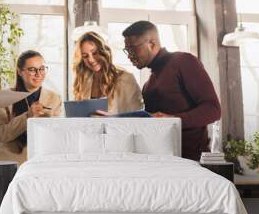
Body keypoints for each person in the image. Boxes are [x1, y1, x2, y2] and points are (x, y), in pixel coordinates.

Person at [122, 20, 221, 161]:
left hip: (191, 163)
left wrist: (173, 120)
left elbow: (213, 110)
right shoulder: (147, 85)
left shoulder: (184, 61)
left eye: (133, 48)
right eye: (127, 49)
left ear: (152, 43)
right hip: (162, 162)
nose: (129, 54)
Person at [0, 50, 61, 165]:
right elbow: (1, 135)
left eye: (42, 68)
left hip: (39, 162)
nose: (38, 73)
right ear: (20, 71)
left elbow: (54, 136)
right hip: (7, 162)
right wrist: (27, 116)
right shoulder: (3, 97)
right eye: (32, 69)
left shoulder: (54, 98)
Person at [73, 31, 143, 113]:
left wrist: (113, 118)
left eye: (95, 53)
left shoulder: (126, 78)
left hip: (116, 126)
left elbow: (137, 116)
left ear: (104, 51)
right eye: (85, 56)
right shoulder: (84, 81)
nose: (91, 60)